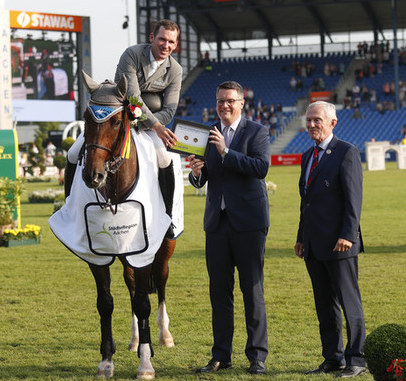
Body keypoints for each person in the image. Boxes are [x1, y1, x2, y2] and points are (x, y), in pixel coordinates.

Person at [66, 19, 182, 235]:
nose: (166, 45)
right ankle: (68, 209)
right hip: (114, 119)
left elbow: (169, 111)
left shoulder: (175, 70)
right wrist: (155, 125)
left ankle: (168, 217)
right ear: (152, 38)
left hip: (146, 125)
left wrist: (150, 125)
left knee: (165, 159)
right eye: (162, 39)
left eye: (171, 42)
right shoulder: (132, 54)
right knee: (73, 152)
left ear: (175, 45)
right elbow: (132, 96)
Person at [188, 80, 270, 375]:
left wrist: (225, 152)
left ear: (241, 102)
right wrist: (196, 174)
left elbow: (261, 168)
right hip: (217, 224)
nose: (225, 105)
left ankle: (257, 356)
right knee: (219, 292)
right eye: (221, 100)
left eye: (230, 101)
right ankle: (221, 355)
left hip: (249, 223)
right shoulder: (206, 134)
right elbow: (205, 176)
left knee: (252, 290)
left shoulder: (257, 131)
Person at [295, 101, 367, 378]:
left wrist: (348, 235)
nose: (312, 125)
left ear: (332, 123)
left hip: (340, 244)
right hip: (313, 244)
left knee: (350, 304)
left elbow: (353, 200)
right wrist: (301, 237)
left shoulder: (347, 152)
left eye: (317, 120)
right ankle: (333, 358)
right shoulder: (306, 156)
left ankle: (357, 360)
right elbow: (307, 203)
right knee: (324, 305)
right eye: (309, 120)